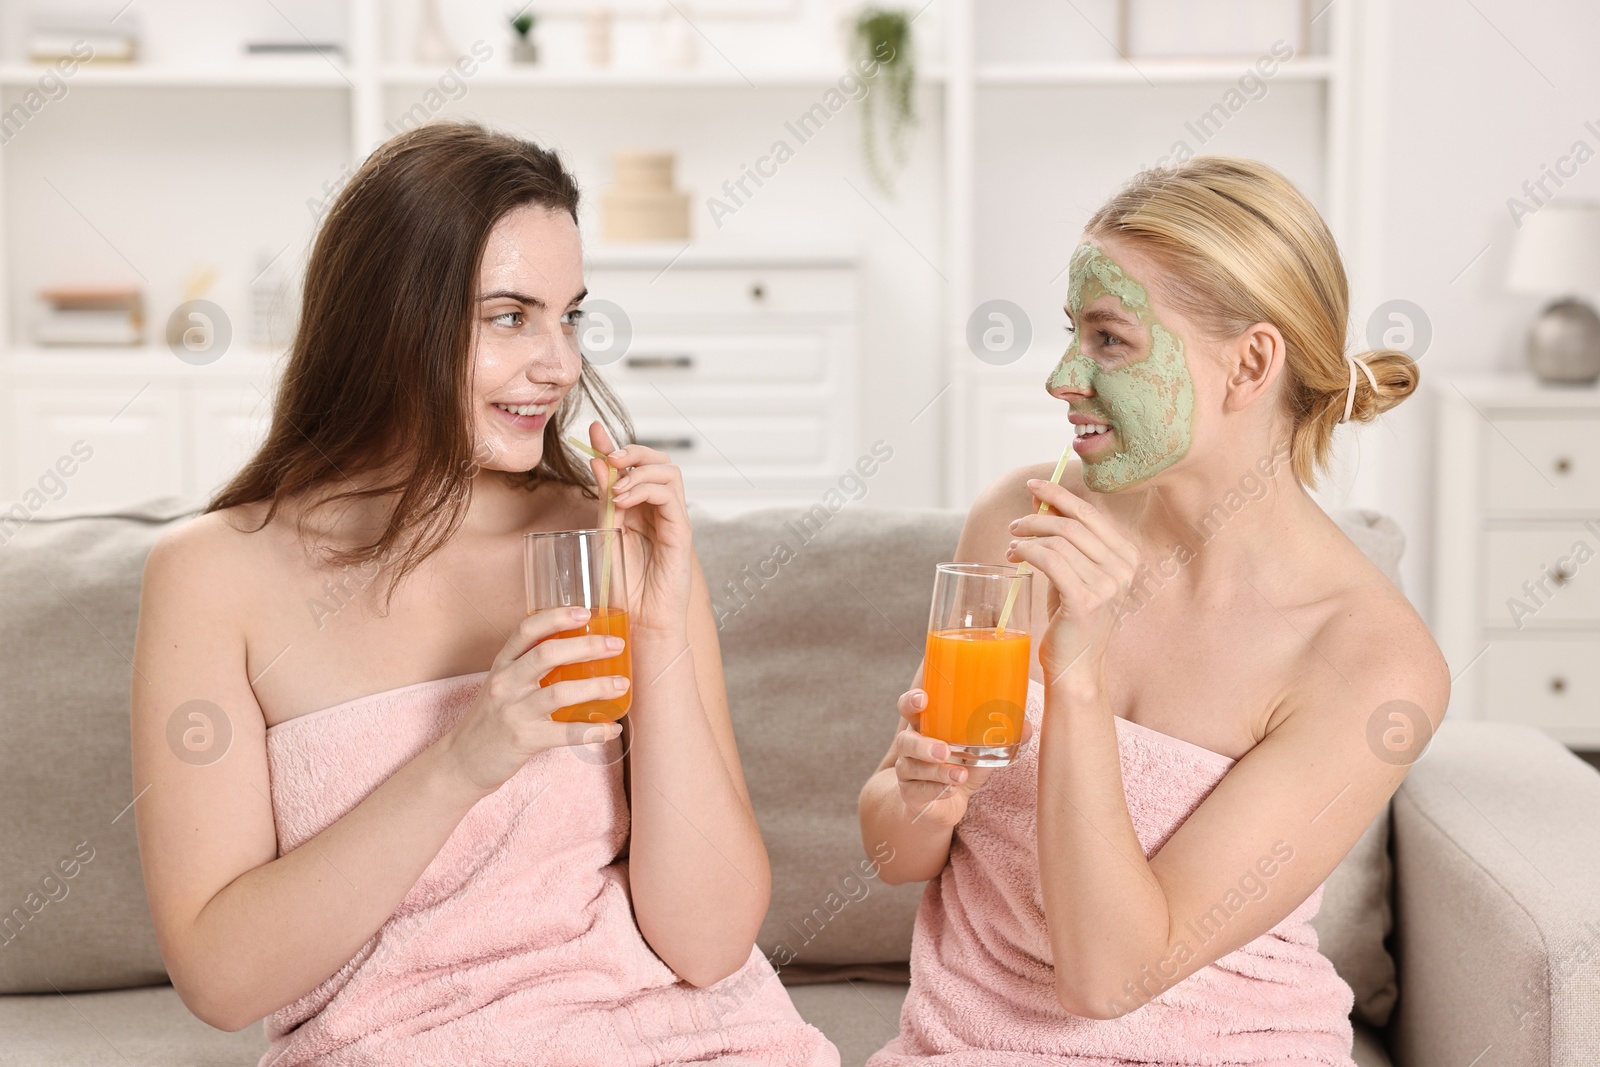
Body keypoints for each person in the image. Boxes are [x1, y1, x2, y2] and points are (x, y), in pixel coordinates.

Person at [129, 121, 836, 1067]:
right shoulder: (213, 576)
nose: (561, 364)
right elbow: (221, 978)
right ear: (390, 322)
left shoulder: (604, 535)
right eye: (511, 316)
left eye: (570, 315)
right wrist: (468, 755)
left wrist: (659, 626)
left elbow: (708, 944)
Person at [859, 156, 1446, 1065]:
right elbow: (898, 852)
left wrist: (1078, 676)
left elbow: (1106, 979)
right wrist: (919, 799)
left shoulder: (1370, 662)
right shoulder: (1025, 521)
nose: (1060, 377)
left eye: (1109, 340)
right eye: (1070, 335)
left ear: (1249, 362)